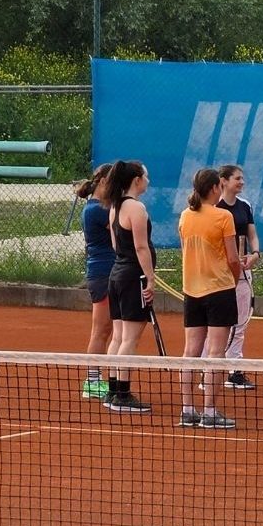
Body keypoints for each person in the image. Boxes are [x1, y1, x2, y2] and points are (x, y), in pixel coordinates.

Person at [178, 167, 241, 429]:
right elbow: (233, 259)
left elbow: (185, 250)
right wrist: (233, 280)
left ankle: (187, 410)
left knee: (190, 351)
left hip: (192, 292)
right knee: (216, 352)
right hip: (219, 291)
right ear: (215, 188)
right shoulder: (224, 216)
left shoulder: (185, 216)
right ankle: (210, 412)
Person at [99, 160, 157, 413]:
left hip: (117, 275)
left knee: (119, 336)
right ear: (136, 180)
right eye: (146, 176)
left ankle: (113, 391)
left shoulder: (114, 207)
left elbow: (116, 245)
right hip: (133, 277)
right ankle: (122, 395)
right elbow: (141, 247)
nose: (148, 181)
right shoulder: (136, 208)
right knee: (130, 339)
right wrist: (150, 278)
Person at [214, 164, 261, 390]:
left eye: (242, 178)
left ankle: (235, 370)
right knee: (215, 323)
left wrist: (255, 254)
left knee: (240, 322)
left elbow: (252, 234)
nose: (241, 182)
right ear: (223, 181)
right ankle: (207, 370)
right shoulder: (213, 207)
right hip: (218, 274)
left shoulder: (245, 206)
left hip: (242, 272)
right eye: (237, 178)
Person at [76, 163, 115, 401]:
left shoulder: (99, 208)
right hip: (103, 275)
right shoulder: (98, 210)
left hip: (106, 273)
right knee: (101, 330)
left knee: (107, 329)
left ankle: (100, 379)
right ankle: (92, 381)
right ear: (102, 182)